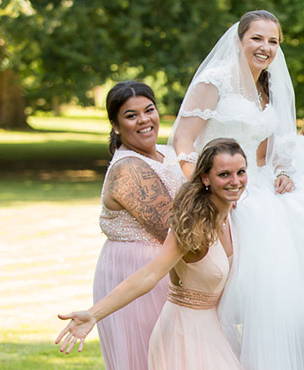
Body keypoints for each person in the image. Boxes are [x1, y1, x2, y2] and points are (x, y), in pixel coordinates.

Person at [170, 9, 304, 370]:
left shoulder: (269, 89)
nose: (265, 47)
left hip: (258, 186)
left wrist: (282, 172)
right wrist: (200, 190)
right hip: (223, 191)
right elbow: (183, 142)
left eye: (273, 41)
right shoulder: (215, 82)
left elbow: (265, 151)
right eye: (257, 38)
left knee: (280, 293)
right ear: (239, 40)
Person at [56, 138, 247, 370]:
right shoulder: (192, 224)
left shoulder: (234, 216)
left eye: (241, 172)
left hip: (216, 330)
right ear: (205, 178)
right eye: (225, 174)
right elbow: (148, 275)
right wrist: (94, 314)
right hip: (185, 334)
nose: (235, 181)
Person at [93, 81, 185, 370]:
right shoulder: (128, 169)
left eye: (149, 110)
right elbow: (174, 228)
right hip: (136, 272)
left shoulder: (167, 153)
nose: (144, 120)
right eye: (131, 115)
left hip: (167, 265)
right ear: (115, 125)